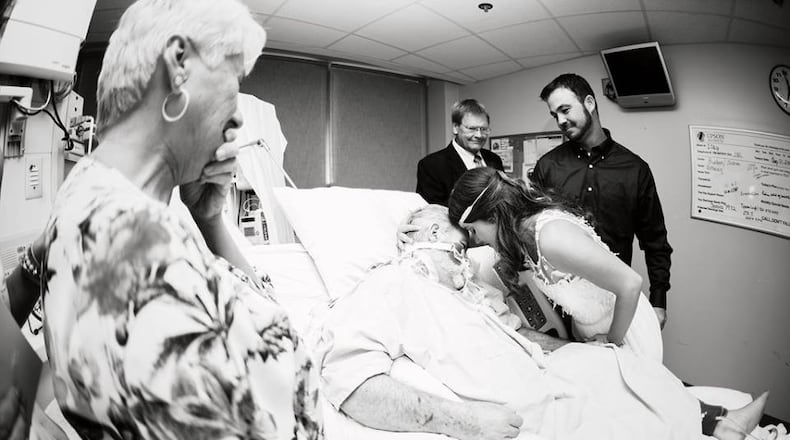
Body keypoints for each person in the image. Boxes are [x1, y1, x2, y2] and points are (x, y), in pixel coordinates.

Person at [37, 1, 322, 438]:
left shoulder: (85, 190)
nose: (240, 114)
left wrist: (209, 221)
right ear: (179, 64)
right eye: (234, 80)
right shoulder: (144, 254)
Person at [316, 204, 768, 440]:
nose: (469, 243)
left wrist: (571, 351)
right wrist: (464, 422)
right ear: (427, 233)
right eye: (459, 230)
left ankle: (716, 422)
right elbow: (350, 380)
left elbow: (512, 333)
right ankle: (712, 427)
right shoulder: (395, 285)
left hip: (546, 374)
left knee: (617, 366)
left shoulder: (463, 289)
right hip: (531, 413)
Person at [449, 167, 662, 361]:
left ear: (494, 215)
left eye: (473, 230)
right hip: (589, 330)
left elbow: (630, 283)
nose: (475, 239)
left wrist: (611, 341)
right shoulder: (523, 236)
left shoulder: (551, 237)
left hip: (624, 329)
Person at [533, 73, 673, 329]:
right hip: (557, 301)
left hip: (613, 304)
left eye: (565, 110)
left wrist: (658, 300)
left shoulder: (635, 170)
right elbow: (532, 232)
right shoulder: (548, 166)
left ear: (589, 102)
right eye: (555, 115)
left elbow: (656, 243)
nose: (561, 121)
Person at [416, 99, 504, 206]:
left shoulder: (494, 159)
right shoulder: (432, 165)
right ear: (455, 128)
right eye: (472, 129)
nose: (479, 135)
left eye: (484, 129)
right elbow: (432, 212)